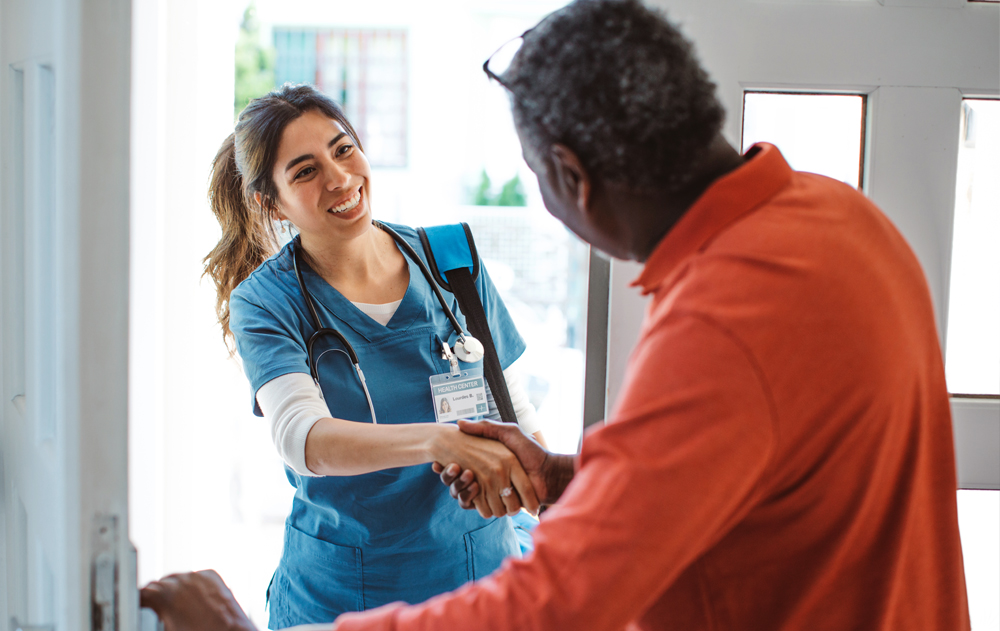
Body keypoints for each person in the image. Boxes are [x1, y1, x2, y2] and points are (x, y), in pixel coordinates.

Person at [142, 1, 971, 629]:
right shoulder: (844, 219)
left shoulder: (719, 321)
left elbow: (556, 602)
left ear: (571, 177)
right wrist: (560, 475)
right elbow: (756, 470)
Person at [200, 84, 548, 627]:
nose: (339, 178)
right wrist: (440, 440)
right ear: (273, 202)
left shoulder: (451, 260)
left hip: (481, 578)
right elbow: (302, 438)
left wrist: (548, 496)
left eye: (343, 149)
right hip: (343, 596)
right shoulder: (266, 301)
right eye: (305, 171)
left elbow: (512, 408)